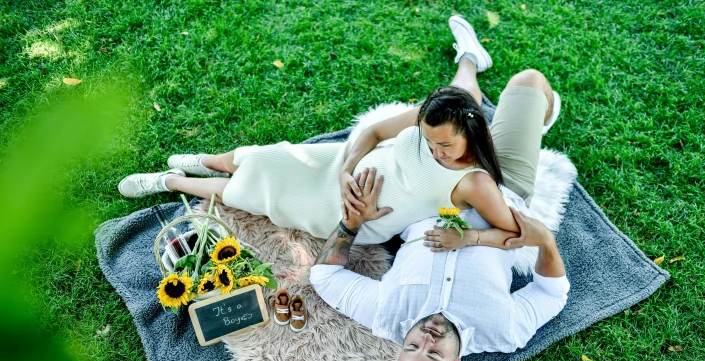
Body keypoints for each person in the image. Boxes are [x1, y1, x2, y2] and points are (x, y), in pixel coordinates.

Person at [118, 16, 561, 245]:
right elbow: (370, 134)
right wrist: (346, 168)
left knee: (249, 194)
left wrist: (465, 238)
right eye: (428, 140)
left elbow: (517, 231)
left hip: (356, 216)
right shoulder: (434, 123)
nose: (434, 151)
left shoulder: (478, 182)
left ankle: (169, 181)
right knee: (262, 158)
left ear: (471, 135)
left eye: (444, 145)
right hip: (337, 171)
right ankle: (470, 59)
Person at [310, 168, 569, 361]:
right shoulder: (504, 330)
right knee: (522, 120)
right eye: (434, 354)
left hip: (431, 185)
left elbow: (324, 276)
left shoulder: (384, 312)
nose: (426, 339)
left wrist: (351, 224)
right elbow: (552, 294)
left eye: (411, 346)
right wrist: (546, 240)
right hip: (505, 191)